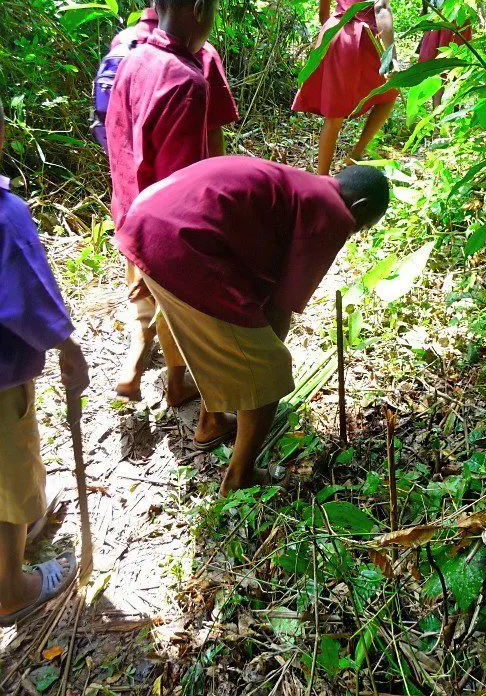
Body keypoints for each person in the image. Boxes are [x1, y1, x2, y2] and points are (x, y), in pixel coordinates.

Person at [115, 156, 390, 496]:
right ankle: (238, 477)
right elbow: (280, 308)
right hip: (180, 242)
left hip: (148, 220)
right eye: (360, 227)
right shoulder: (332, 212)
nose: (352, 233)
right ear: (359, 206)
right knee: (268, 368)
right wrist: (256, 366)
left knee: (201, 325)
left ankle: (203, 413)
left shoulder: (301, 187)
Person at [106, 0, 222, 405]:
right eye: (212, 12)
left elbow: (119, 139)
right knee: (181, 305)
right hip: (160, 224)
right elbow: (181, 184)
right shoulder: (188, 81)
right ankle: (184, 388)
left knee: (155, 298)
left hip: (129, 209)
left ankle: (161, 374)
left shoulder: (133, 59)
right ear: (198, 10)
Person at [0, 98, 89, 626]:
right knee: (9, 474)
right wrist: (67, 346)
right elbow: (26, 298)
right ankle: (11, 585)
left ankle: (19, 531)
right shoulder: (4, 216)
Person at [292, 0, 398, 176]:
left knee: (334, 114)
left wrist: (332, 33)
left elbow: (323, 9)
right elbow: (381, 6)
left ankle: (322, 177)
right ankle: (354, 156)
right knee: (388, 94)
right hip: (363, 36)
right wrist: (392, 55)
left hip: (334, 33)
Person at [108, 0, 238, 157]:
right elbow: (211, 135)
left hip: (130, 190)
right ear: (199, 9)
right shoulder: (196, 68)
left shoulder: (126, 52)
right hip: (175, 189)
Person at [418, 0, 472, 108]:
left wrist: (424, 11)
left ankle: (440, 117)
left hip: (441, 18)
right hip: (457, 19)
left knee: (438, 69)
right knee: (454, 67)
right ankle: (450, 112)